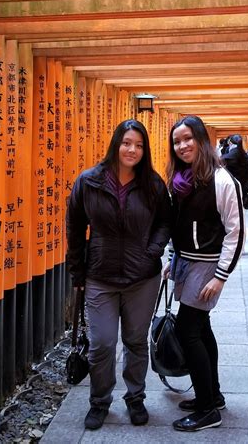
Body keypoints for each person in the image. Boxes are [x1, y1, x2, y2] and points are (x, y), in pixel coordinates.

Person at [67, 119, 171, 431]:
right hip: (100, 275)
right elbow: (74, 226)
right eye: (127, 143)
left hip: (143, 278)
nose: (132, 150)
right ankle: (99, 402)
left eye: (139, 145)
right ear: (116, 143)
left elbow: (166, 222)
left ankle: (135, 397)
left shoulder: (153, 184)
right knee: (102, 343)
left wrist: (152, 251)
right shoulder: (89, 181)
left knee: (136, 340)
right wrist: (78, 272)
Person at [164, 115, 245, 432]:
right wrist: (174, 257)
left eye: (188, 138)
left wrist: (220, 276)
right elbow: (179, 226)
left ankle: (208, 409)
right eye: (177, 141)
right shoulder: (183, 180)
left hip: (208, 265)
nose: (182, 145)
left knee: (188, 330)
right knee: (201, 327)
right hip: (188, 261)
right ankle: (213, 396)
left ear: (201, 140)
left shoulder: (222, 181)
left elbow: (235, 233)